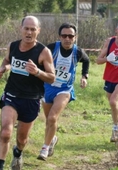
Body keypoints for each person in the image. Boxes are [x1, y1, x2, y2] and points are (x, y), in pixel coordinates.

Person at [0, 16, 55, 170]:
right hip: (11, 95)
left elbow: (52, 78)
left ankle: (18, 153)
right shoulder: (12, 46)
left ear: (38, 31)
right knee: (5, 132)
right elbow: (7, 60)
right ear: (21, 29)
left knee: (22, 139)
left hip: (31, 99)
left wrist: (37, 73)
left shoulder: (43, 51)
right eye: (26, 28)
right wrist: (2, 68)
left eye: (33, 29)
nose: (29, 32)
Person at [37, 23, 90, 161]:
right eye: (64, 36)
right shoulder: (51, 48)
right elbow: (39, 60)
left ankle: (45, 148)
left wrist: (84, 76)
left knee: (53, 117)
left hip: (65, 89)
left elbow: (87, 60)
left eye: (70, 36)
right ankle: (52, 138)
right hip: (47, 87)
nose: (67, 39)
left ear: (75, 37)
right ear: (59, 36)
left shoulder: (77, 52)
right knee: (49, 121)